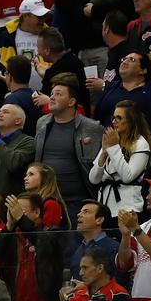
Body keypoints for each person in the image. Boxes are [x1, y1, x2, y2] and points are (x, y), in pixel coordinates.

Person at [34, 73, 103, 218]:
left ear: (71, 102)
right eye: (52, 94)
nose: (51, 97)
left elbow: (98, 165)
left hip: (77, 203)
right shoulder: (42, 123)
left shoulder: (91, 128)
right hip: (46, 200)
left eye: (58, 94)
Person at [88, 100, 151, 216]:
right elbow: (94, 179)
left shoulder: (140, 144)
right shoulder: (112, 140)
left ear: (131, 121)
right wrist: (103, 153)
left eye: (119, 118)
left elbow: (127, 176)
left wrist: (113, 148)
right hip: (104, 207)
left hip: (128, 208)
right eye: (113, 118)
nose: (114, 122)